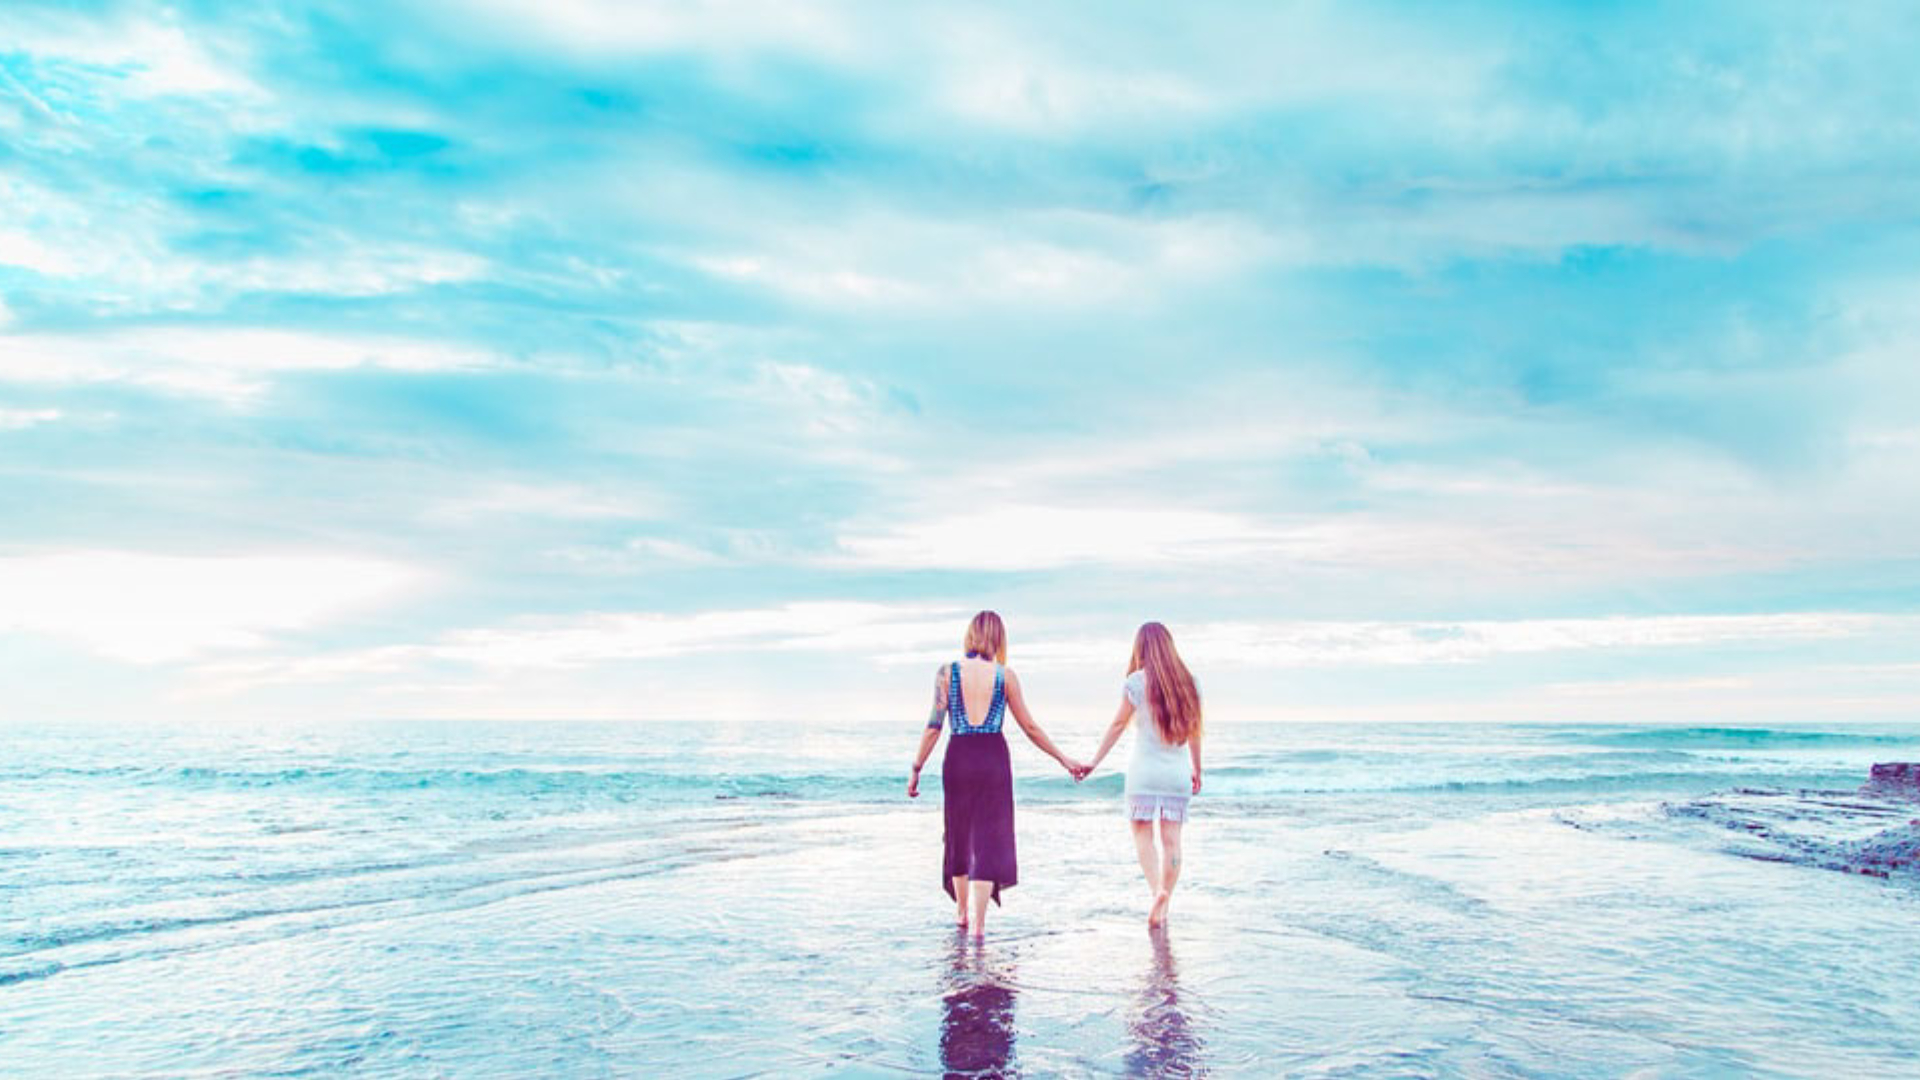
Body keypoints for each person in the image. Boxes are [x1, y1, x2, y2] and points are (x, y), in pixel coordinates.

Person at [908, 610, 1085, 936]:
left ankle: (961, 914)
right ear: (999, 638)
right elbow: (1029, 727)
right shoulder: (1006, 676)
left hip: (959, 756)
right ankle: (978, 926)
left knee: (958, 835)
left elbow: (933, 727)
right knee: (987, 841)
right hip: (993, 759)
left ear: (970, 635)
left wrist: (916, 768)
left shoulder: (946, 673)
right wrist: (1062, 758)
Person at [1082, 621, 1203, 927]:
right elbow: (1195, 734)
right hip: (1176, 772)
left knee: (1142, 836)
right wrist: (1197, 769)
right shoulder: (1191, 682)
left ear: (1141, 648)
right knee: (1173, 841)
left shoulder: (1136, 682)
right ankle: (1166, 902)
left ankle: (1156, 893)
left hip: (1144, 771)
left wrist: (1095, 761)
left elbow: (1118, 725)